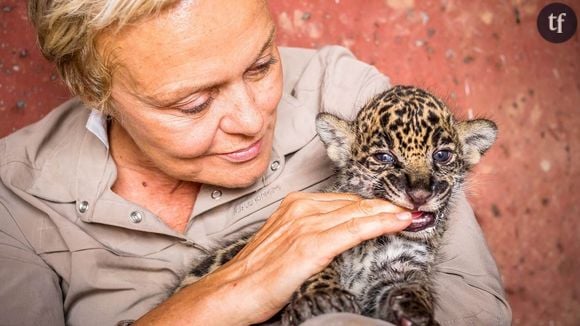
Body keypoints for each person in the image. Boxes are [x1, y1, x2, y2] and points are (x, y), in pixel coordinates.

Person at [0, 0, 511, 325]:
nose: (251, 119)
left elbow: (473, 304)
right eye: (193, 103)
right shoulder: (15, 193)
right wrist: (212, 303)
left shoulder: (346, 93)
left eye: (262, 64)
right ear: (96, 91)